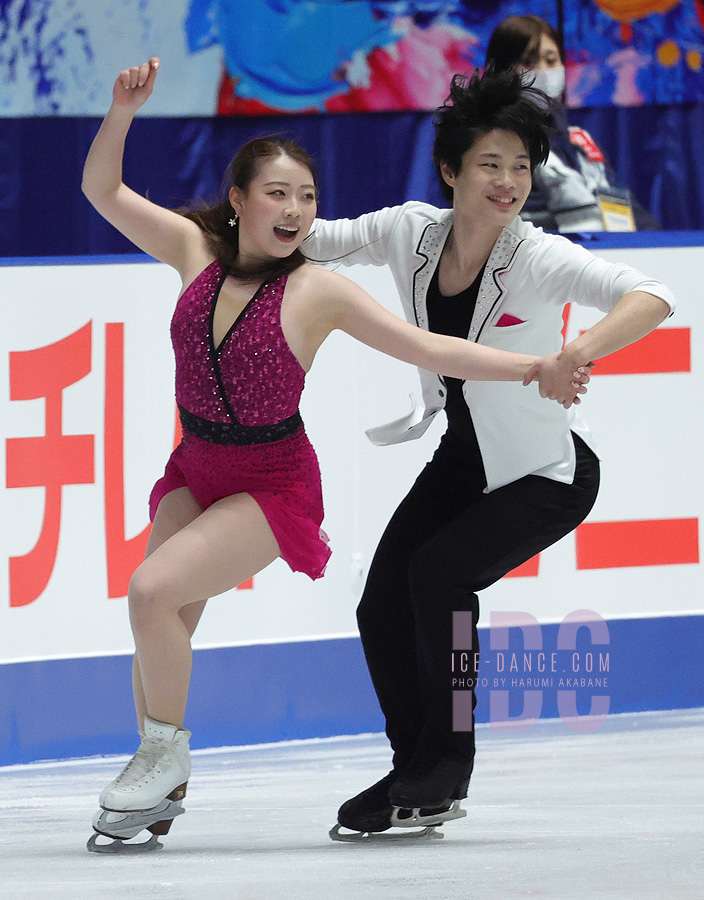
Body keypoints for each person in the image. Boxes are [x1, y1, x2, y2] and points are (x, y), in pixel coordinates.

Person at [80, 59, 589, 852]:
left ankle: (163, 757)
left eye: (307, 196)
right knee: (161, 616)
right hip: (195, 465)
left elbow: (431, 347)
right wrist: (121, 111)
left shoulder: (316, 289)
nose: (295, 210)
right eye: (277, 193)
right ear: (238, 199)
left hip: (269, 482)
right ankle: (160, 771)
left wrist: (536, 365)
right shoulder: (192, 250)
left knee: (150, 591)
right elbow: (103, 192)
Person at [302, 65, 674, 840]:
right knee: (380, 604)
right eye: (489, 164)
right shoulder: (409, 231)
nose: (507, 182)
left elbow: (650, 294)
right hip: (463, 459)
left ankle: (446, 762)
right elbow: (311, 241)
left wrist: (578, 351)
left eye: (519, 166)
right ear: (450, 170)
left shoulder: (535, 255)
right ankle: (415, 768)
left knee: (439, 577)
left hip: (545, 475)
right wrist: (226, 222)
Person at [485, 15, 660, 233]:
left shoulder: (579, 140)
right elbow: (516, 225)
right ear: (502, 70)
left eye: (551, 61)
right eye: (529, 62)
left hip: (612, 247)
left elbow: (622, 204)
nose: (543, 71)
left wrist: (658, 241)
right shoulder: (494, 142)